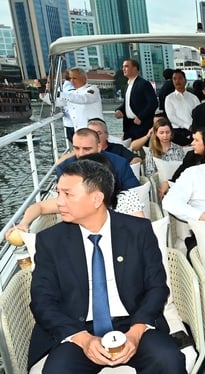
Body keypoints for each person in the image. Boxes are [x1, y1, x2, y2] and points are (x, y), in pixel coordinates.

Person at [28, 159, 205, 374]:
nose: (58, 202)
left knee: (170, 361)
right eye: (59, 194)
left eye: (67, 194)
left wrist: (138, 332)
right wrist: (82, 339)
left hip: (132, 322)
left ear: (96, 198)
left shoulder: (136, 231)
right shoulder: (51, 241)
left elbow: (156, 287)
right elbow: (42, 302)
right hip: (76, 331)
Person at [5, 153, 144, 242]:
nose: (61, 201)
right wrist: (24, 223)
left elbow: (138, 234)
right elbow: (39, 206)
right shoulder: (73, 203)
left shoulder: (126, 198)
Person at [56, 128, 140, 190]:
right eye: (76, 148)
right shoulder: (63, 168)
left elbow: (134, 191)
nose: (81, 154)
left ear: (99, 147)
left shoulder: (120, 164)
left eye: (87, 149)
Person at [42, 67, 103, 137]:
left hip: (94, 131)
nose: (72, 81)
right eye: (70, 78)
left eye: (74, 78)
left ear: (84, 78)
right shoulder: (72, 94)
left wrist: (57, 92)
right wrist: (43, 92)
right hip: (79, 131)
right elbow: (55, 102)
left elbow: (83, 99)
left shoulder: (92, 89)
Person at [157, 127, 205, 200]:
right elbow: (177, 176)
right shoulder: (190, 155)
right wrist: (168, 183)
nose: (192, 143)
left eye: (196, 140)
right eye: (193, 139)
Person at [114, 58, 158, 141]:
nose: (123, 69)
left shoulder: (144, 84)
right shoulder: (128, 84)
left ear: (135, 68)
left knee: (142, 149)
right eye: (123, 67)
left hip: (141, 125)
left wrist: (141, 117)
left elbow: (153, 103)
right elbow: (127, 103)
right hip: (128, 125)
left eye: (126, 66)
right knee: (128, 150)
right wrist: (119, 110)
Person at [164, 69, 200, 146]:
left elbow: (199, 114)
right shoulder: (169, 98)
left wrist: (193, 127)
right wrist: (187, 126)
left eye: (180, 78)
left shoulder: (193, 98)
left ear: (185, 80)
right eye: (174, 79)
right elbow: (171, 117)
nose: (177, 81)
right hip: (177, 132)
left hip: (193, 131)